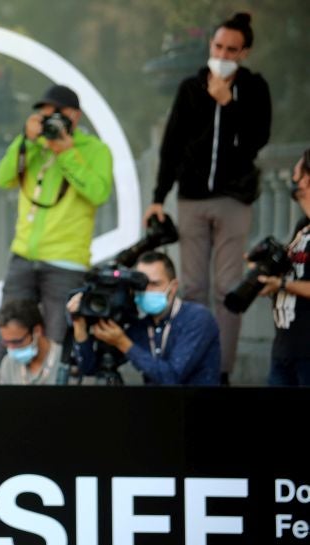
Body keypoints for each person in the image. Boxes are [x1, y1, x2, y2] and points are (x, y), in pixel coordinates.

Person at [144, 12, 272, 385]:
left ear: (244, 52)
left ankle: (221, 370)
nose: (223, 53)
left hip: (234, 199)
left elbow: (255, 141)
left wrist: (228, 104)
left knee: (228, 287)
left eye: (232, 49)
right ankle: (192, 362)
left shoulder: (254, 88)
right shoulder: (189, 88)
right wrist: (158, 197)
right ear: (210, 46)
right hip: (192, 199)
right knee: (194, 287)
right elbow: (172, 146)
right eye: (218, 46)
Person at [0, 84, 112, 376]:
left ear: (74, 116)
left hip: (65, 261)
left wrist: (67, 153)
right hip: (24, 255)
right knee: (6, 340)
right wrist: (27, 142)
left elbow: (98, 192)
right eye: (44, 113)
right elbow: (2, 178)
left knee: (58, 346)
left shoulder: (95, 150)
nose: (50, 119)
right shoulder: (33, 145)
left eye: (56, 113)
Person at [67, 252, 221, 385]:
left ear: (173, 287)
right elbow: (90, 368)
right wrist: (79, 326)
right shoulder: (140, 326)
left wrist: (123, 343)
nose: (147, 290)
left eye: (154, 284)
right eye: (141, 284)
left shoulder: (197, 318)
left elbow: (172, 377)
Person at [256, 148, 310, 386]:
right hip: (283, 348)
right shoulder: (302, 226)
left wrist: (283, 284)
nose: (293, 180)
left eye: (296, 173)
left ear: (307, 179)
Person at [0, 299, 63, 385]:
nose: (11, 348)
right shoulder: (8, 364)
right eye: (6, 342)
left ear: (37, 331)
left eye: (16, 342)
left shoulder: (64, 360)